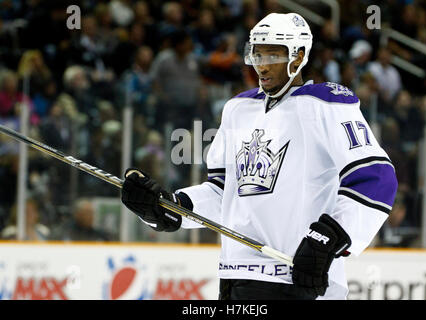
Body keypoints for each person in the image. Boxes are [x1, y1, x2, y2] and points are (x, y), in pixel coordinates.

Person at [121, 13, 398, 300]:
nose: (262, 66)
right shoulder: (238, 109)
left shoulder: (325, 103)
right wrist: (173, 208)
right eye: (258, 55)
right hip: (235, 279)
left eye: (273, 56)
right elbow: (222, 193)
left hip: (298, 281)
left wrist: (326, 241)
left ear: (299, 55)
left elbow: (376, 179)